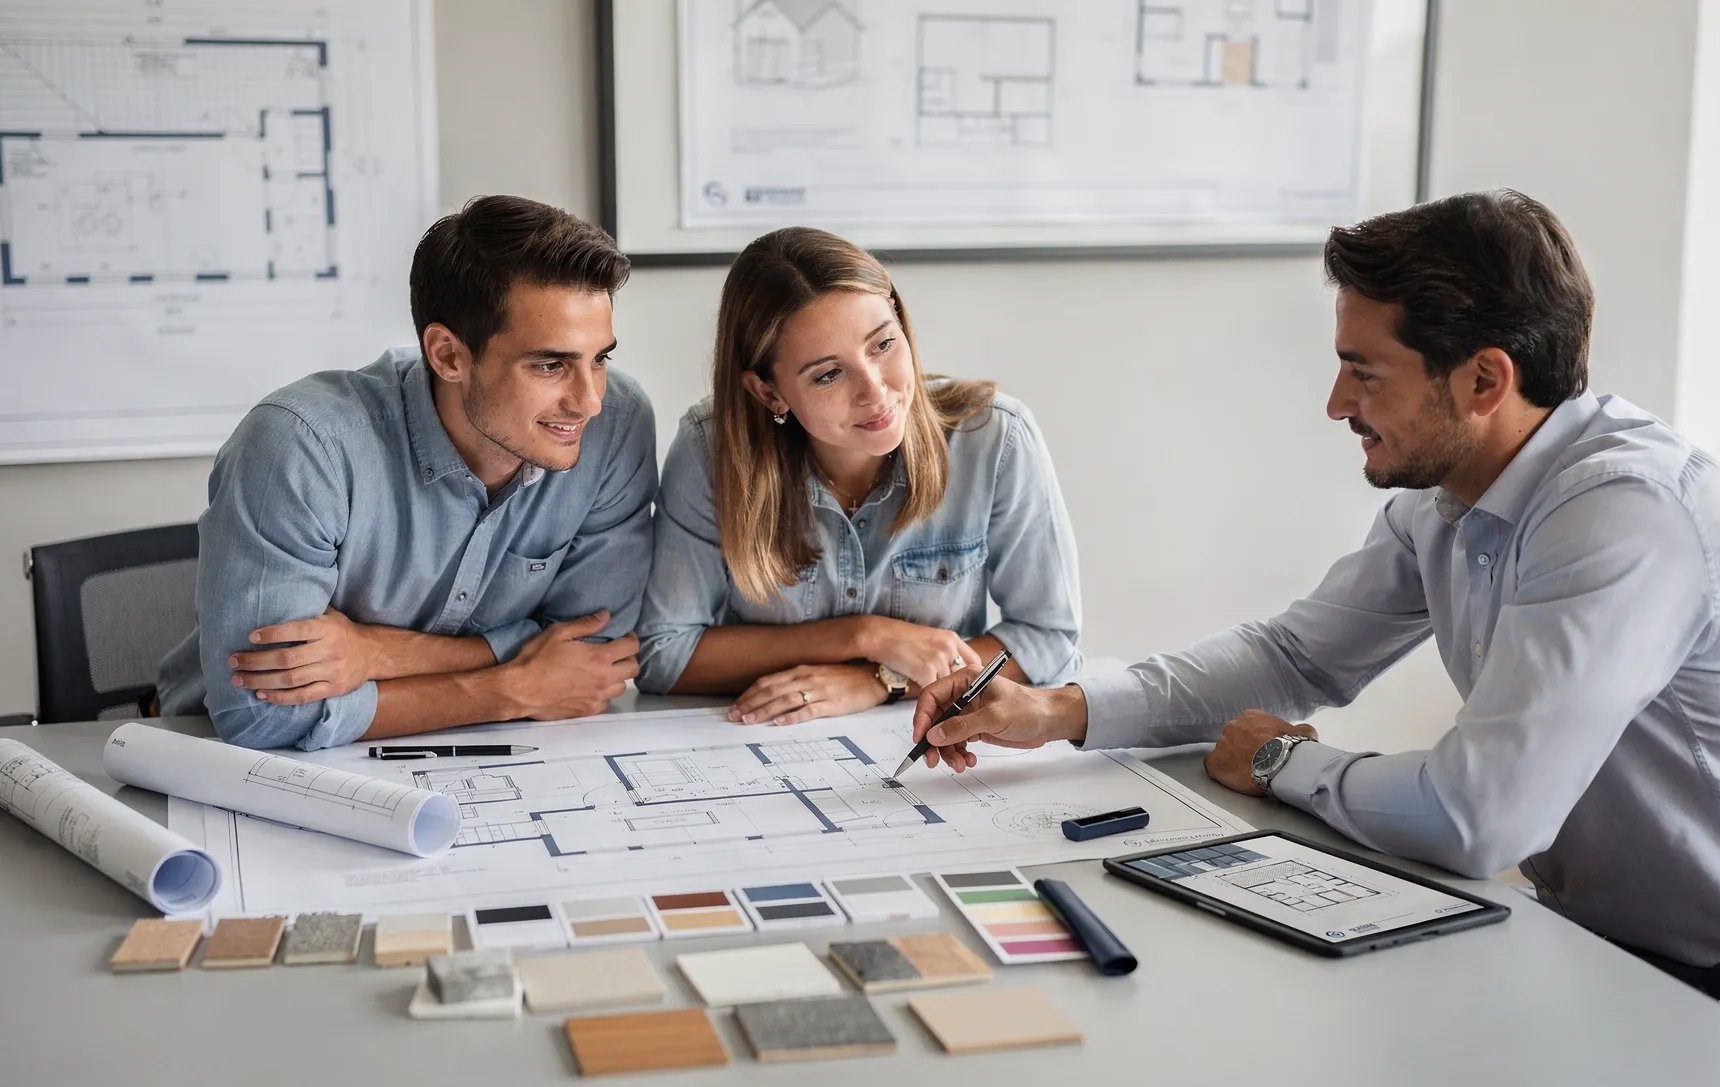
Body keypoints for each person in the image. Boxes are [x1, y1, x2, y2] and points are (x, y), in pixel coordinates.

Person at [909, 190, 1720, 1087]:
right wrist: (1058, 710)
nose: (1336, 404)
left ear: (1482, 380)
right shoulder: (1455, 493)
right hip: (1612, 958)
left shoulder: (1623, 511)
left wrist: (1281, 760)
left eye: (1362, 372)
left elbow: (1478, 819)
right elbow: (1296, 656)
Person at [155, 195, 656, 751]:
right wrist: (512, 689)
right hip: (224, 761)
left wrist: (375, 652)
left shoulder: (617, 424)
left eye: (600, 359)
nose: (588, 401)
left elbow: (597, 655)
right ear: (447, 356)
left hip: (494, 754)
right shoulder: (301, 446)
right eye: (549, 364)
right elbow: (260, 718)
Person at [636, 226, 1081, 723]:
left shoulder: (995, 437)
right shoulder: (711, 448)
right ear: (769, 393)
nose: (875, 391)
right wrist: (862, 636)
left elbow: (1048, 639)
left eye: (883, 344)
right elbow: (663, 655)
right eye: (828, 374)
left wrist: (880, 679)